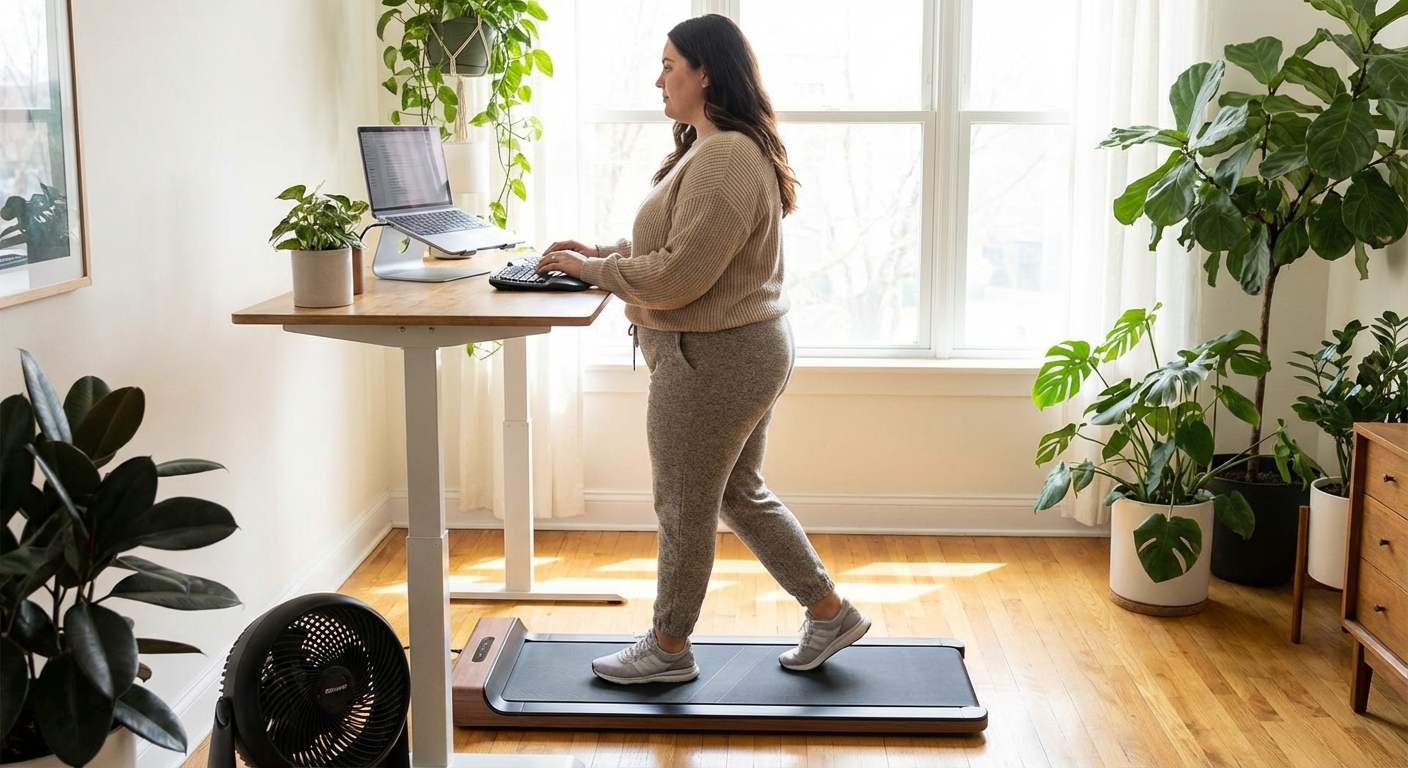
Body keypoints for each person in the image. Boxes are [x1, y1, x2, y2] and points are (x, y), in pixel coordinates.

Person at [536, 14, 869, 685]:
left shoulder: (723, 157)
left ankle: (667, 647)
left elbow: (681, 276)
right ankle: (829, 612)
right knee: (738, 493)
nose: (657, 78)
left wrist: (592, 274)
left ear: (705, 72)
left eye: (669, 65)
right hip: (738, 350)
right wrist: (599, 253)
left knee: (684, 504)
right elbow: (677, 248)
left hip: (715, 358)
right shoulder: (712, 146)